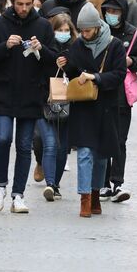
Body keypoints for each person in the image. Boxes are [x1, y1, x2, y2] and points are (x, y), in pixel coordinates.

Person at [0, 0, 57, 214]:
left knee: (24, 146)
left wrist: (41, 48)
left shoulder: (43, 26)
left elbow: (54, 59)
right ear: (12, 2)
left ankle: (18, 195)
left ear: (33, 1)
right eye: (19, 4)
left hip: (31, 93)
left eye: (27, 4)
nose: (23, 8)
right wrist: (5, 45)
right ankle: (0, 188)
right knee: (3, 138)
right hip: (3, 92)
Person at [62, 4, 127, 217]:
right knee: (85, 153)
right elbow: (72, 73)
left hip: (106, 108)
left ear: (97, 27)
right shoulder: (77, 45)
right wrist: (66, 65)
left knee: (101, 156)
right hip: (83, 108)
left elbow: (119, 74)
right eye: (81, 30)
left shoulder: (114, 45)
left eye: (87, 30)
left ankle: (96, 193)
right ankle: (84, 198)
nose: (84, 34)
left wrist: (96, 77)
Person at [99, 0, 137, 202]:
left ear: (123, 12)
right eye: (108, 10)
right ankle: (102, 184)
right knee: (102, 139)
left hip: (121, 96)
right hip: (100, 93)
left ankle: (117, 183)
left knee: (120, 140)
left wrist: (132, 62)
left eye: (115, 11)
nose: (111, 14)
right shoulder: (98, 31)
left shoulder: (133, 34)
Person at [33, 12, 77, 201]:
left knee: (62, 147)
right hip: (44, 102)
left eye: (67, 30)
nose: (63, 33)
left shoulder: (77, 49)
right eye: (60, 30)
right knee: (50, 144)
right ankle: (50, 184)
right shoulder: (44, 48)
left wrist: (68, 63)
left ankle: (56, 184)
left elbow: (80, 70)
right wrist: (53, 57)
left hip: (68, 105)